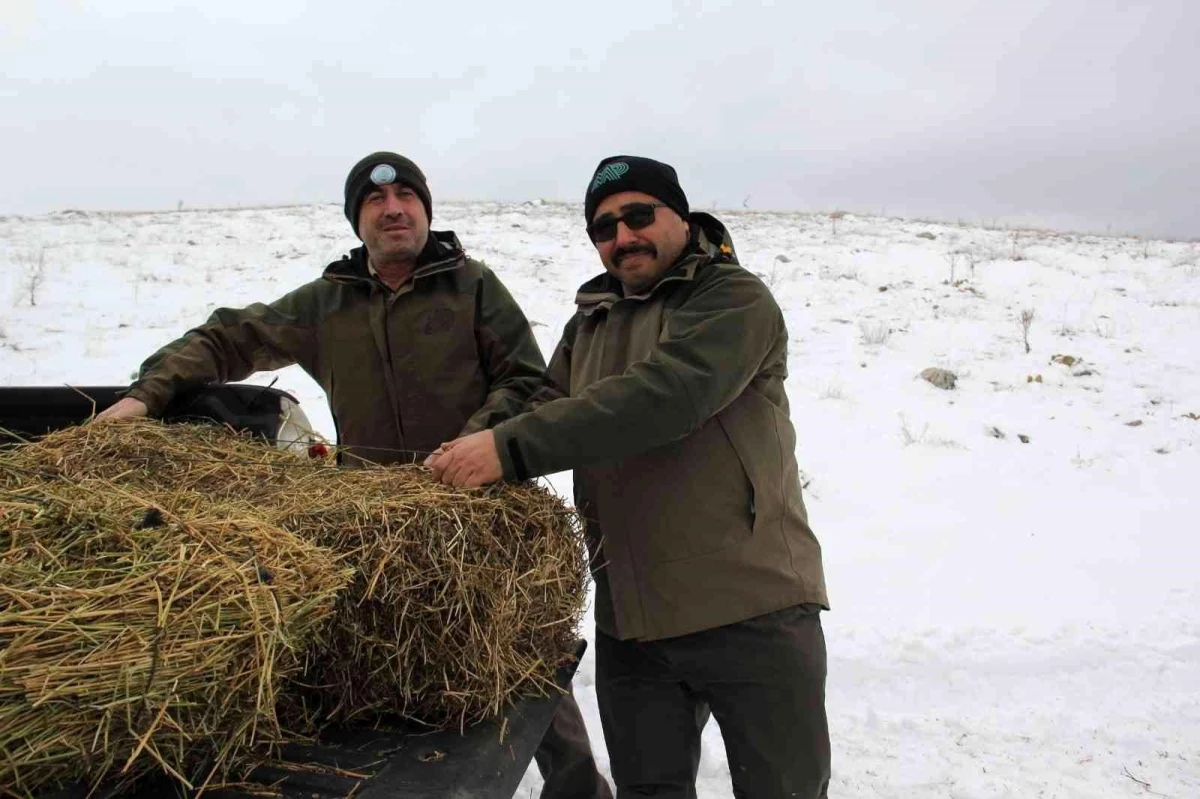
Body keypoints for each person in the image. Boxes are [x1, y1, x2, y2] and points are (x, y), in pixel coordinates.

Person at [96, 151, 612, 799]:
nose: (392, 208)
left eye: (406, 196)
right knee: (380, 668)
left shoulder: (472, 286)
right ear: (358, 219)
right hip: (373, 522)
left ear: (426, 209)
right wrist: (146, 394)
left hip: (478, 509)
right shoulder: (327, 304)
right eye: (375, 201)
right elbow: (230, 336)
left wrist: (477, 439)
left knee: (520, 653)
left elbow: (527, 380)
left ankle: (579, 788)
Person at [426, 155, 832, 798]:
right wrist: (478, 435)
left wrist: (508, 448)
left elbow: (667, 396)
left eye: (638, 216)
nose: (622, 237)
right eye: (603, 228)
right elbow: (539, 396)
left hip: (751, 610)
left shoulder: (732, 297)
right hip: (633, 624)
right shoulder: (591, 320)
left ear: (680, 214)